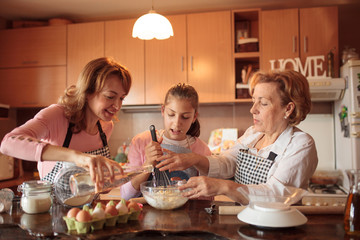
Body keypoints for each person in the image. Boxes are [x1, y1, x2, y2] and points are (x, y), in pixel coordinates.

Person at [155, 70, 318, 204]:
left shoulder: (300, 144)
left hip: (276, 229)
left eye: (263, 103)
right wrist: (194, 159)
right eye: (254, 101)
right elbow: (228, 163)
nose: (253, 109)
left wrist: (224, 187)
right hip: (243, 220)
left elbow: (277, 194)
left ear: (288, 109)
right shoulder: (253, 134)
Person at [0, 57, 132, 190]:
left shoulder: (105, 127)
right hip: (52, 208)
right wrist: (78, 157)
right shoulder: (57, 115)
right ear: (87, 92)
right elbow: (9, 143)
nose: (117, 105)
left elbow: (90, 184)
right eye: (110, 96)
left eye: (121, 98)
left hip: (88, 209)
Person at [120, 83, 211, 200]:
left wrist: (188, 189)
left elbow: (208, 199)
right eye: (171, 114)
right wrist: (148, 164)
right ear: (163, 110)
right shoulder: (141, 142)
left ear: (194, 117)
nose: (177, 123)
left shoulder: (202, 150)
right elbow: (126, 195)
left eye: (185, 117)